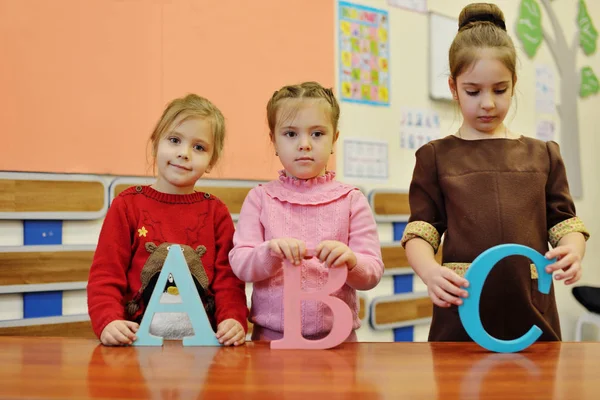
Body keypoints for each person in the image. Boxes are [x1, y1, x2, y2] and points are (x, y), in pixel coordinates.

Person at [402, 3, 589, 342]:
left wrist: (573, 251)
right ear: (453, 87)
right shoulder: (435, 157)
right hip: (460, 316)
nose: (487, 103)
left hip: (533, 317)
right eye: (473, 91)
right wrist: (429, 271)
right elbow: (420, 231)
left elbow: (566, 225)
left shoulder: (543, 154)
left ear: (514, 83)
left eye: (499, 90)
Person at [87, 94, 248, 346]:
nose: (184, 153)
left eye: (199, 147)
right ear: (155, 144)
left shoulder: (216, 212)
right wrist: (108, 321)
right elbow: (105, 275)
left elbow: (229, 281)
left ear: (211, 161)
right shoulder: (127, 206)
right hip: (136, 345)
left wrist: (233, 319)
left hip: (203, 348)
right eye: (174, 140)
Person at [229, 81, 384, 341]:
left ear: (334, 138)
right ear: (273, 141)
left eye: (317, 134)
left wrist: (351, 261)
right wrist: (270, 252)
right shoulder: (260, 198)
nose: (304, 144)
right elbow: (241, 264)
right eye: (291, 134)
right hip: (270, 343)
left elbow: (372, 273)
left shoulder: (351, 200)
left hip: (338, 342)